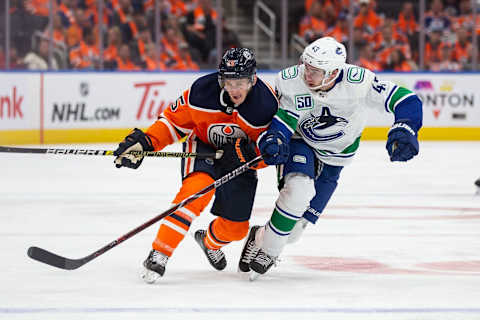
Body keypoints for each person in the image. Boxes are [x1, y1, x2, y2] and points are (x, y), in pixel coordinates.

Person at [238, 37, 423, 279]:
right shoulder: (291, 80)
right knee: (298, 191)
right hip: (301, 141)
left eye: (316, 71)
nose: (308, 74)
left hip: (337, 156)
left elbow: (406, 99)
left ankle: (260, 236)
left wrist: (406, 126)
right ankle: (270, 251)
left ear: (335, 71)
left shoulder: (359, 82)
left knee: (293, 232)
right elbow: (286, 118)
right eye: (307, 66)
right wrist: (275, 138)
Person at [113, 48, 278, 283]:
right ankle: (160, 252)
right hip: (203, 148)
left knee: (236, 229)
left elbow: (272, 151)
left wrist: (251, 154)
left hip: (240, 161)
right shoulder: (201, 92)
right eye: (228, 82)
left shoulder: (267, 105)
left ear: (252, 78)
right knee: (193, 195)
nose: (234, 89)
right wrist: (146, 142)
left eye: (240, 82)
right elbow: (173, 123)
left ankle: (208, 241)